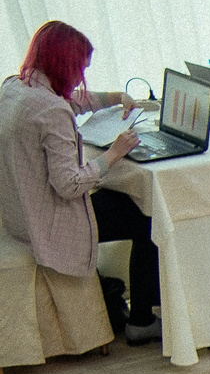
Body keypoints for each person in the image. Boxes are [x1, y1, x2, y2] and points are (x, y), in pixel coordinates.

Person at [0, 21, 158, 352]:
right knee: (148, 215)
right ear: (65, 65)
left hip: (17, 213)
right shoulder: (51, 110)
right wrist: (114, 154)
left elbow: (72, 100)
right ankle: (142, 321)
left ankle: (143, 313)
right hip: (50, 222)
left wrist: (115, 97)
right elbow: (69, 185)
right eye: (80, 68)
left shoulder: (16, 87)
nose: (81, 76)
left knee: (123, 198)